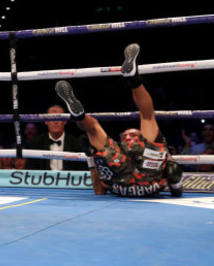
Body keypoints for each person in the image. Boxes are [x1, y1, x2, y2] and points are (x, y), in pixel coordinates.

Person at [55, 43, 183, 197]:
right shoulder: (135, 148)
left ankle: (80, 116)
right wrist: (176, 183)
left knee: (93, 128)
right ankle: (133, 79)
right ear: (121, 143)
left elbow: (99, 191)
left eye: (133, 135)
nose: (128, 137)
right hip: (149, 177)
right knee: (147, 116)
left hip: (121, 179)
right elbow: (175, 187)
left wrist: (92, 158)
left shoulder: (119, 151)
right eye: (125, 137)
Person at [25, 104, 87, 171]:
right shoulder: (36, 142)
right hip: (44, 180)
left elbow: (81, 170)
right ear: (46, 121)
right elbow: (30, 168)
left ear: (65, 121)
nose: (55, 121)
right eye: (52, 118)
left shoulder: (75, 143)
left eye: (59, 118)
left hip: (68, 180)